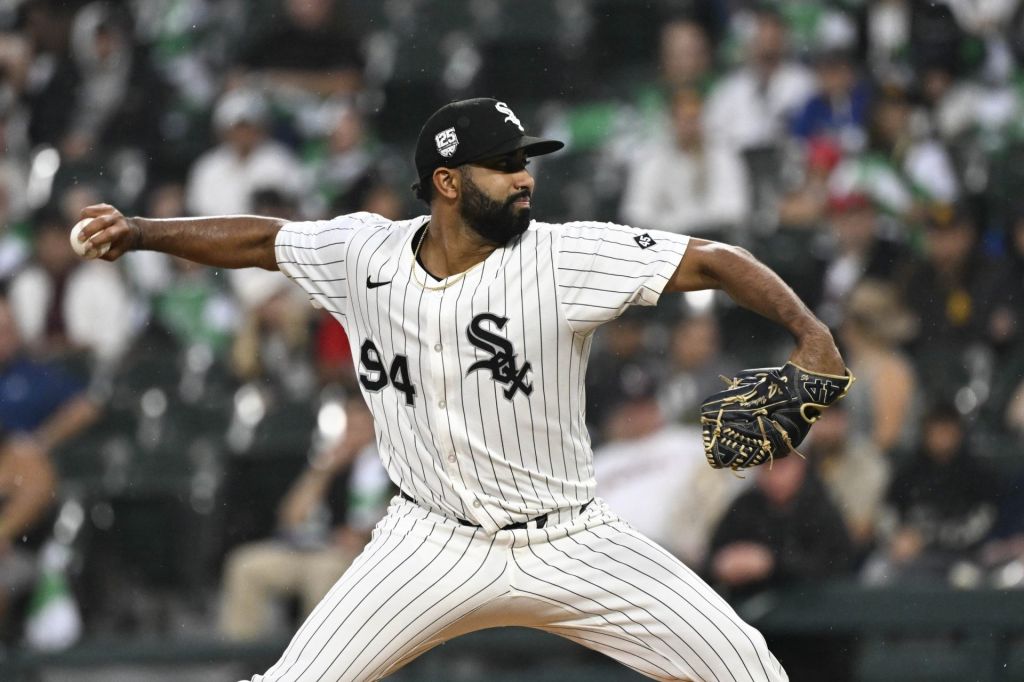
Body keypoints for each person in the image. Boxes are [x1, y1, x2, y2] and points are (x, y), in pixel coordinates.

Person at [75, 97, 846, 682]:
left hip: (571, 540)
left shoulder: (560, 257)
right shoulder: (360, 253)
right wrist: (143, 230)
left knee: (749, 668)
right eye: (504, 165)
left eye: (525, 162)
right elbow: (262, 240)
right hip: (428, 542)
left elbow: (712, 258)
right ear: (446, 182)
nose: (524, 179)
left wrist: (812, 336)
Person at [220, 396, 390, 641]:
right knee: (245, 566)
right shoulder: (328, 464)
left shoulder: (387, 466)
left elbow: (387, 514)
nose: (353, 434)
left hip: (351, 556)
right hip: (305, 548)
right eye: (349, 426)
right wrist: (323, 470)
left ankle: (314, 662)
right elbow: (290, 517)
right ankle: (241, 660)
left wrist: (363, 535)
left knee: (324, 574)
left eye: (360, 427)